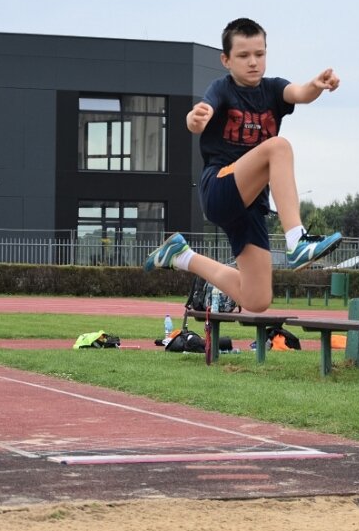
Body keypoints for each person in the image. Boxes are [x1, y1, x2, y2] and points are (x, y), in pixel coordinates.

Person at [144, 18, 342, 313]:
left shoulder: (273, 89)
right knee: (279, 147)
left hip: (250, 205)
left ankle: (181, 255)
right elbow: (202, 112)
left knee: (256, 299)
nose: (253, 63)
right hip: (220, 188)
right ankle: (297, 241)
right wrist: (193, 119)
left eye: (259, 55)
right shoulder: (221, 89)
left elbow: (299, 94)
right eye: (243, 56)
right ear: (226, 60)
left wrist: (316, 85)